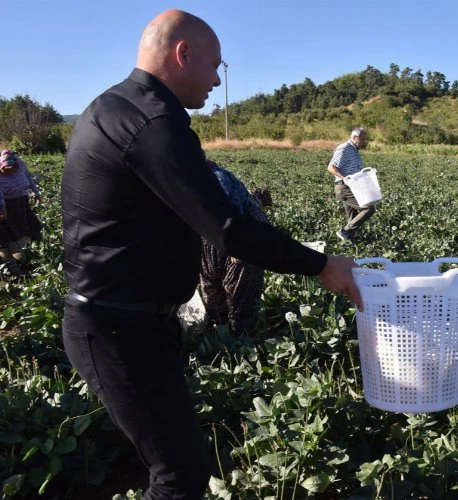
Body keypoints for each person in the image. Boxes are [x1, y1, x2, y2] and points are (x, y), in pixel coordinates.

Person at [60, 10, 362, 500]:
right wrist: (323, 264)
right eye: (215, 66)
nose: (218, 79)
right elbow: (227, 229)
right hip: (118, 328)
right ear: (182, 55)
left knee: (180, 465)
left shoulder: (118, 107)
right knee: (178, 477)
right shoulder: (152, 121)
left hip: (129, 322)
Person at [200, 157, 272, 335]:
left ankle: (242, 337)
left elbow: (230, 211)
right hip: (211, 237)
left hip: (242, 235)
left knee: (241, 292)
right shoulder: (184, 179)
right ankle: (220, 328)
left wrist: (237, 244)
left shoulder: (217, 177)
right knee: (211, 285)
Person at [327, 127, 376, 244]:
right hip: (344, 187)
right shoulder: (345, 148)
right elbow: (331, 167)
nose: (365, 142)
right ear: (354, 137)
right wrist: (344, 178)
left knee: (352, 219)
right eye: (363, 139)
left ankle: (348, 244)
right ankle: (345, 231)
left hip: (353, 188)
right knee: (369, 209)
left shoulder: (354, 150)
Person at [0, 149, 42, 274]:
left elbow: (28, 177)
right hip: (5, 205)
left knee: (33, 227)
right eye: (5, 170)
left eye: (12, 169)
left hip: (21, 202)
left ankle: (17, 247)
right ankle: (14, 268)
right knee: (4, 238)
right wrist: (2, 207)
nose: (9, 172)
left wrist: (36, 192)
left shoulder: (20, 164)